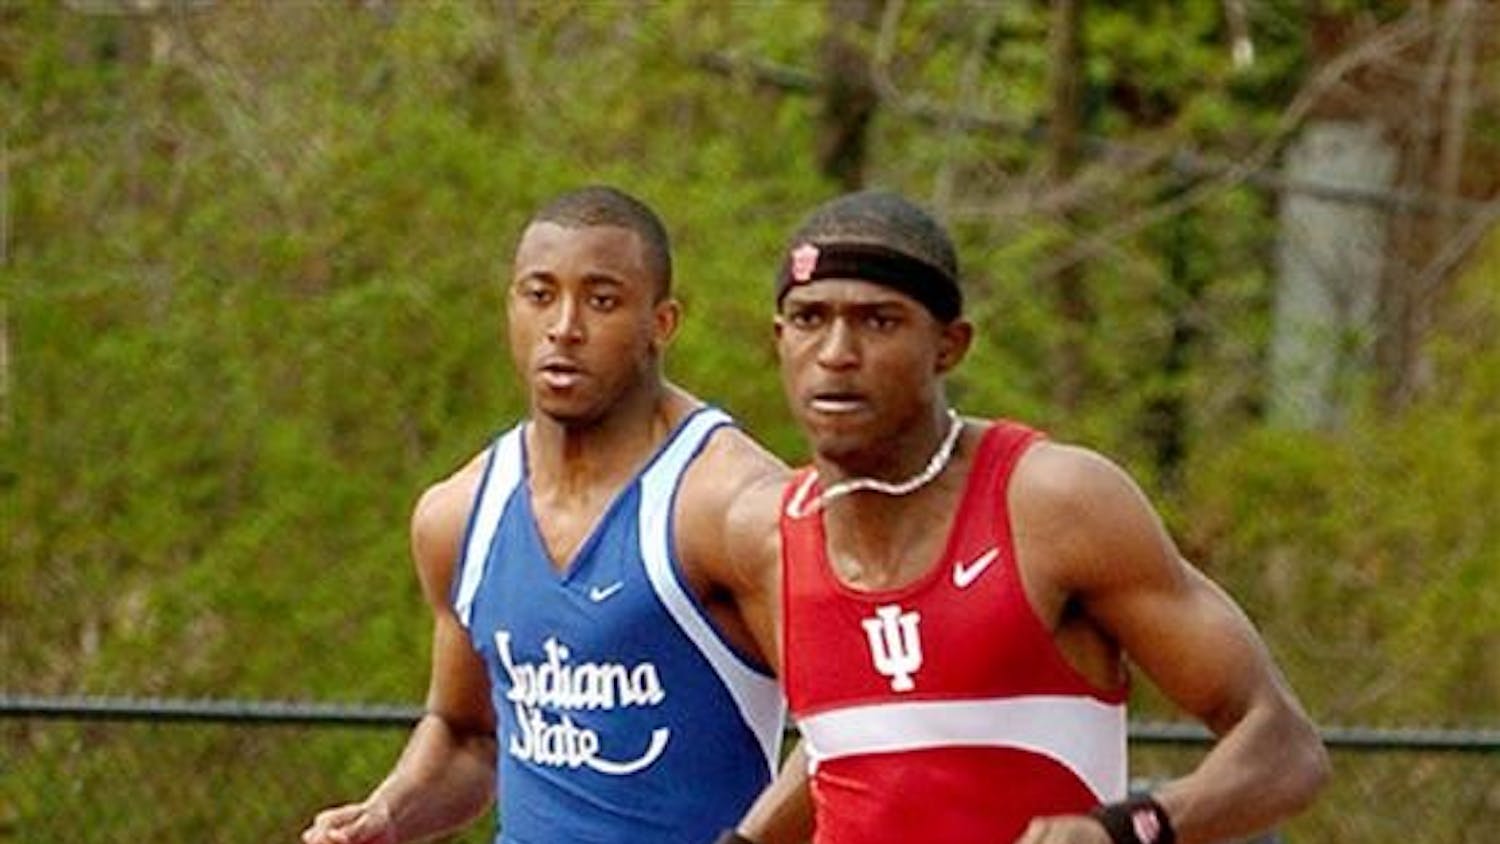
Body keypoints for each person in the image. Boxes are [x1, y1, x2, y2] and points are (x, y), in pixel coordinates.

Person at [733, 189, 1330, 844]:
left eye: (879, 321)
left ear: (949, 345)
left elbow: (1285, 749)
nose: (836, 353)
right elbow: (854, 743)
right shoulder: (765, 535)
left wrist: (1122, 831)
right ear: (778, 339)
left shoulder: (1055, 503)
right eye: (809, 318)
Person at [301, 186, 792, 844]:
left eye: (602, 300)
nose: (564, 326)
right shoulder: (458, 516)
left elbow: (848, 736)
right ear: (511, 307)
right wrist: (387, 813)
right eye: (540, 295)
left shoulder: (732, 505)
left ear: (662, 323)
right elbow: (467, 735)